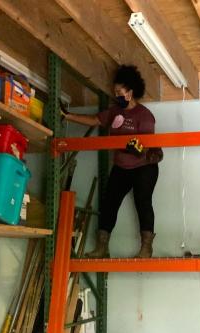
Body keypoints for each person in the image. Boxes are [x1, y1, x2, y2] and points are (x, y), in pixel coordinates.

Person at [63, 65, 162, 258]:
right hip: (122, 166)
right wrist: (68, 115)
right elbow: (94, 120)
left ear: (130, 92)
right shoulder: (115, 112)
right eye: (114, 92)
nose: (116, 96)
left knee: (143, 202)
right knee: (109, 203)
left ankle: (146, 248)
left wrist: (139, 148)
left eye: (119, 92)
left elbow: (149, 144)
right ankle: (102, 248)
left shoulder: (144, 115)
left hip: (144, 167)